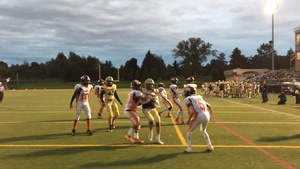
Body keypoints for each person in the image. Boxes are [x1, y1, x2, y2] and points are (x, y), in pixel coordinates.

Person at [183, 86, 214, 153]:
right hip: (206, 114)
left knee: (189, 131)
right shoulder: (199, 97)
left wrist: (188, 120)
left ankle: (189, 148)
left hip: (199, 115)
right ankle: (210, 146)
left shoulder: (189, 99)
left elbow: (192, 112)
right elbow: (210, 106)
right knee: (203, 130)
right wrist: (211, 115)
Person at [141, 78, 164, 144]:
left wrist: (155, 100)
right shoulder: (142, 91)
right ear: (146, 85)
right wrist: (149, 99)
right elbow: (142, 102)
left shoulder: (155, 91)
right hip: (145, 108)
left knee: (158, 122)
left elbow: (157, 98)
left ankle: (158, 139)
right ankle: (150, 133)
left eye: (151, 85)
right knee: (151, 120)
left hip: (153, 108)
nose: (151, 86)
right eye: (149, 85)